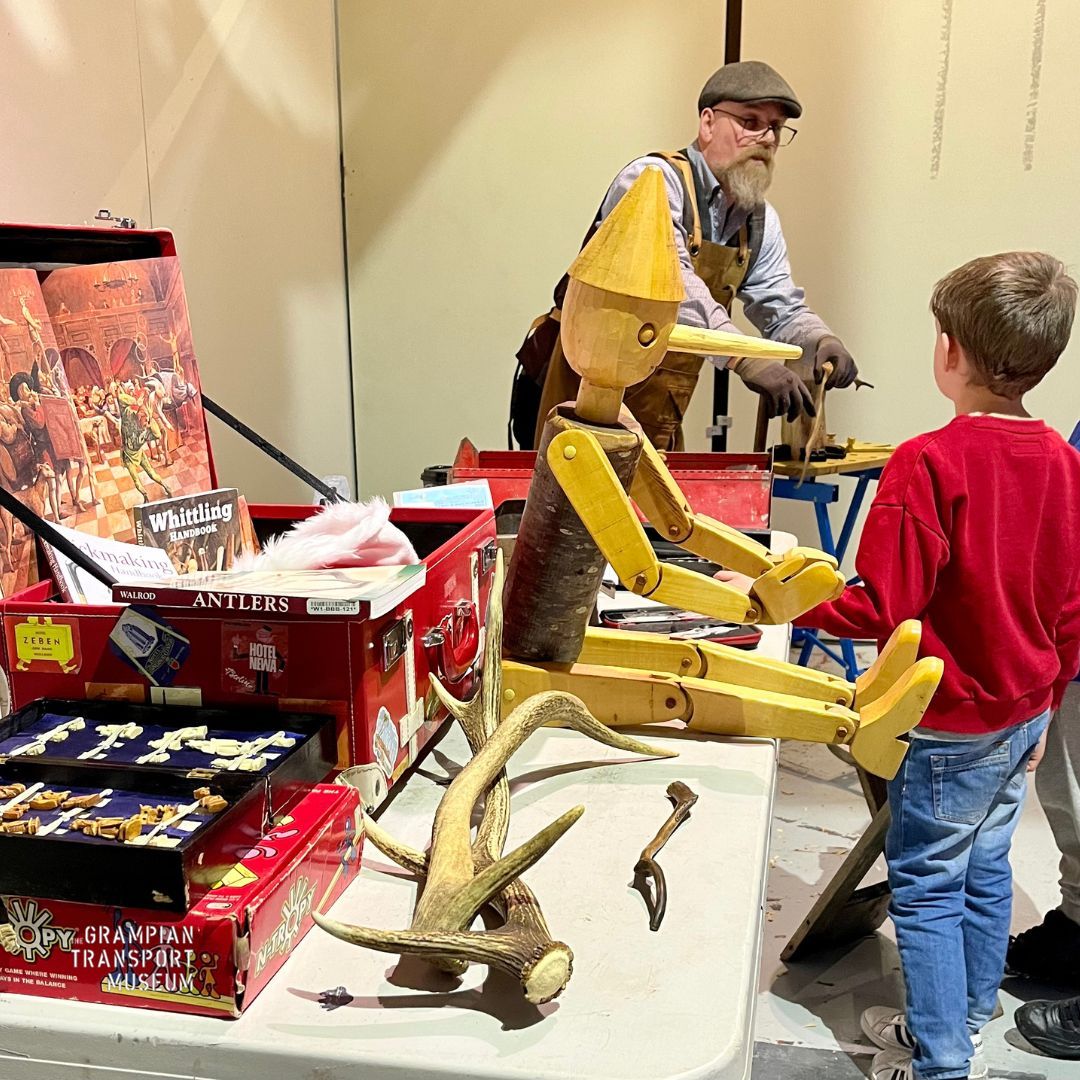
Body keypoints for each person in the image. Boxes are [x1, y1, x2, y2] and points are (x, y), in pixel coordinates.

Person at [719, 252, 1080, 1080]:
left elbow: (882, 607)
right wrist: (1048, 706)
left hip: (947, 721)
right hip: (1022, 712)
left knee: (926, 887)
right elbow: (1071, 609)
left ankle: (941, 1059)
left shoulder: (928, 462)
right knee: (985, 869)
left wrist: (783, 602)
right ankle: (968, 1015)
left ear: (949, 351)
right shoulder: (1066, 464)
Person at [510, 59, 859, 452]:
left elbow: (780, 305)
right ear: (707, 123)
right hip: (584, 400)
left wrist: (817, 339)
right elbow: (675, 287)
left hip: (660, 410)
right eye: (750, 121)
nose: (765, 138)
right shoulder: (652, 181)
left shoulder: (758, 220)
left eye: (775, 128)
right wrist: (743, 357)